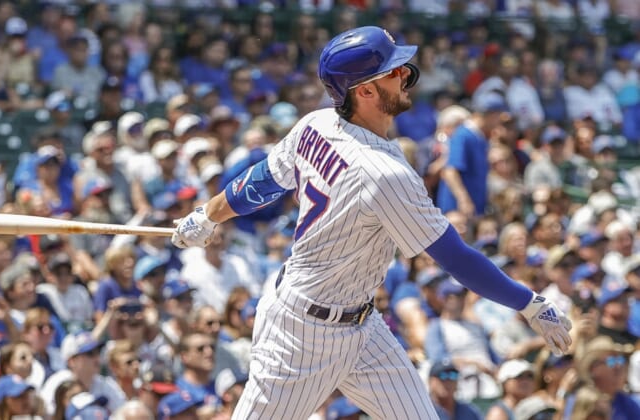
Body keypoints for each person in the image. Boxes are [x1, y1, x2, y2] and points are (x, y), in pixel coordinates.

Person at [170, 26, 572, 418]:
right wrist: (528, 302)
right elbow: (454, 258)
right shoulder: (383, 173)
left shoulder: (318, 123)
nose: (407, 76)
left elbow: (262, 181)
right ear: (363, 91)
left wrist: (208, 216)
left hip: (362, 325)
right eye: (394, 71)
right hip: (302, 335)